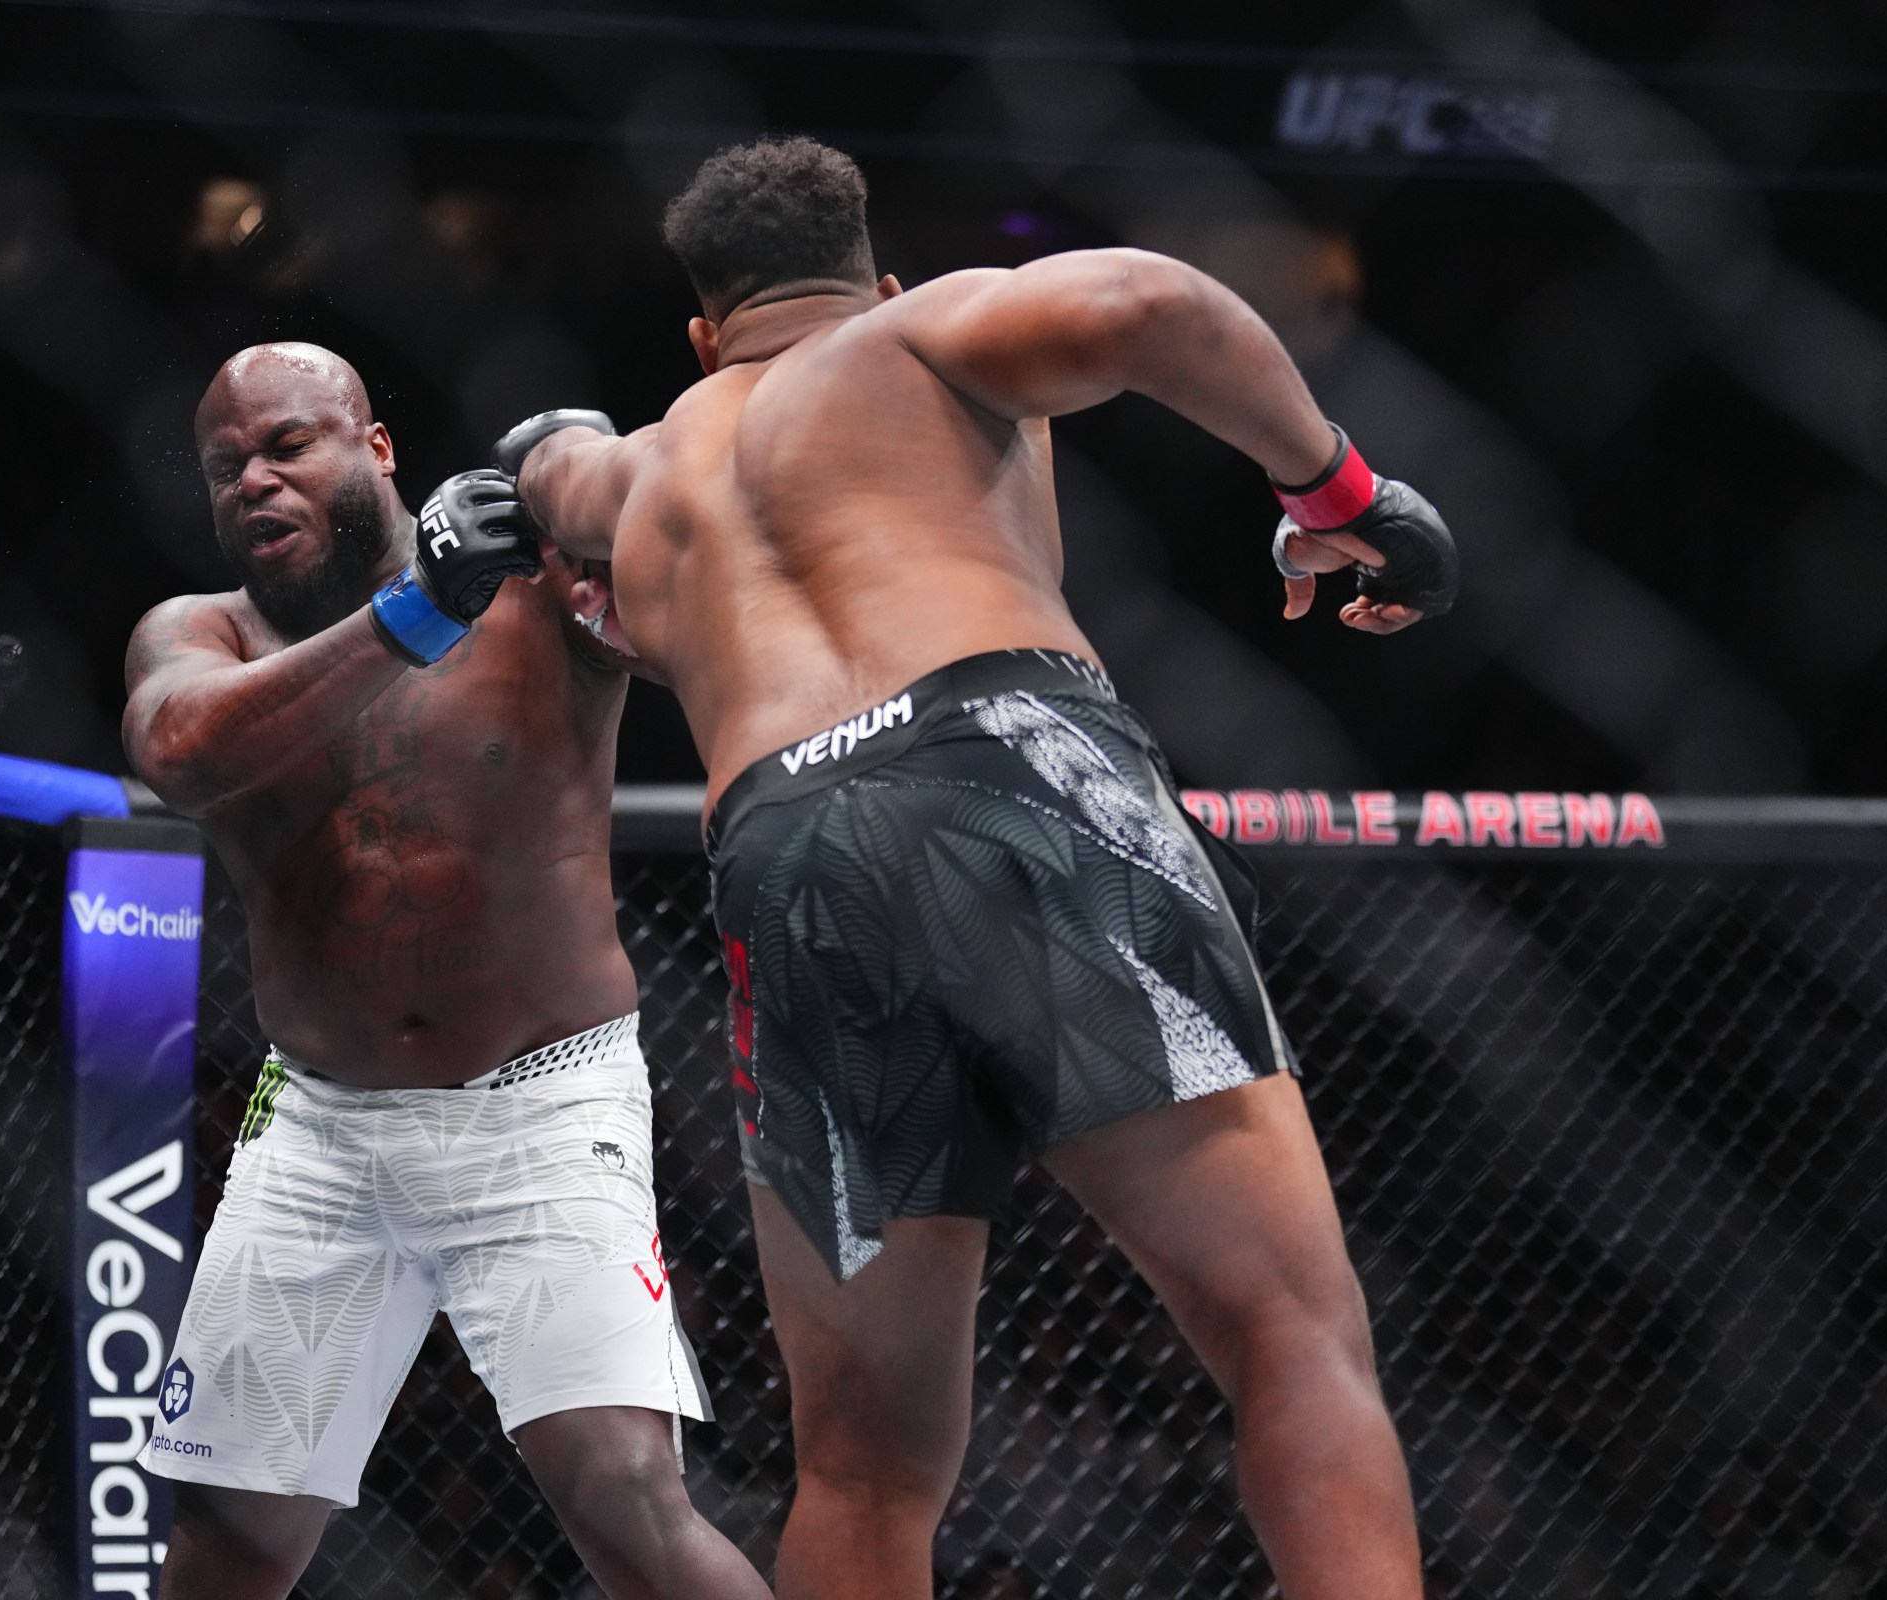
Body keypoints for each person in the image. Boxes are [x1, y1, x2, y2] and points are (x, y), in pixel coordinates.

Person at [502, 139, 1456, 1600]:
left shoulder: (636, 472)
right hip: (1000, 759)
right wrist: (1337, 489)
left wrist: (553, 467)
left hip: (782, 850)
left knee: (864, 1469)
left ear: (702, 335)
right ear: (872, 278)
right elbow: (1151, 301)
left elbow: (542, 466)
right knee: (1289, 1329)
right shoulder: (913, 333)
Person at [120, 342, 770, 1600]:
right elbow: (180, 753)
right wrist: (415, 612)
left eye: (287, 445)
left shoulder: (536, 587)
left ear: (373, 450)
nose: (253, 479)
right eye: (225, 466)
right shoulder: (200, 635)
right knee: (224, 1544)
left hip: (542, 1100)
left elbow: (694, 556)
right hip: (317, 1123)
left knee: (627, 1501)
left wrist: (589, 495)